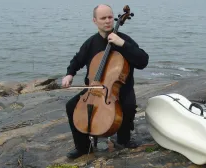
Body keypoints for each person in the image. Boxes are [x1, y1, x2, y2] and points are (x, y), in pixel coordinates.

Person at [62, 4, 149, 159]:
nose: (108, 21)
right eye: (103, 18)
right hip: (95, 89)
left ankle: (124, 139)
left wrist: (121, 44)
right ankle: (82, 147)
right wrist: (69, 74)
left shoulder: (124, 40)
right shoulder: (91, 43)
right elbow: (77, 60)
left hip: (121, 89)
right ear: (95, 21)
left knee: (128, 105)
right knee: (71, 106)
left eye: (110, 17)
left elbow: (143, 61)